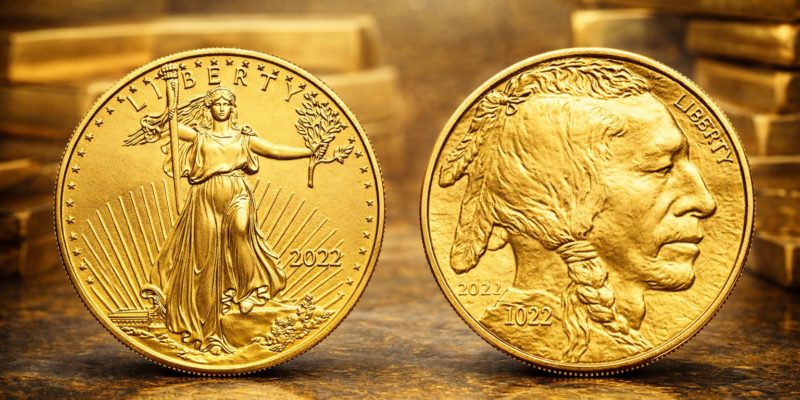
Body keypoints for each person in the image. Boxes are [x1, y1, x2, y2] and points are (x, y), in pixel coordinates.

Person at [439, 59, 717, 363]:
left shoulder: (616, 339)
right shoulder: (563, 340)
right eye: (662, 167)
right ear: (558, 206)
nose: (704, 201)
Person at [125, 81, 323, 355]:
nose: (221, 108)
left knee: (241, 230)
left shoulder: (244, 138)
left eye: (226, 104)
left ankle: (249, 291)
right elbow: (169, 128)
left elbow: (275, 150)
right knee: (205, 261)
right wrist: (167, 107)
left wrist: (309, 152)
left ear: (232, 108)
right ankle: (210, 330)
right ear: (210, 107)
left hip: (237, 192)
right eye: (217, 103)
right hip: (204, 197)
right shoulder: (199, 136)